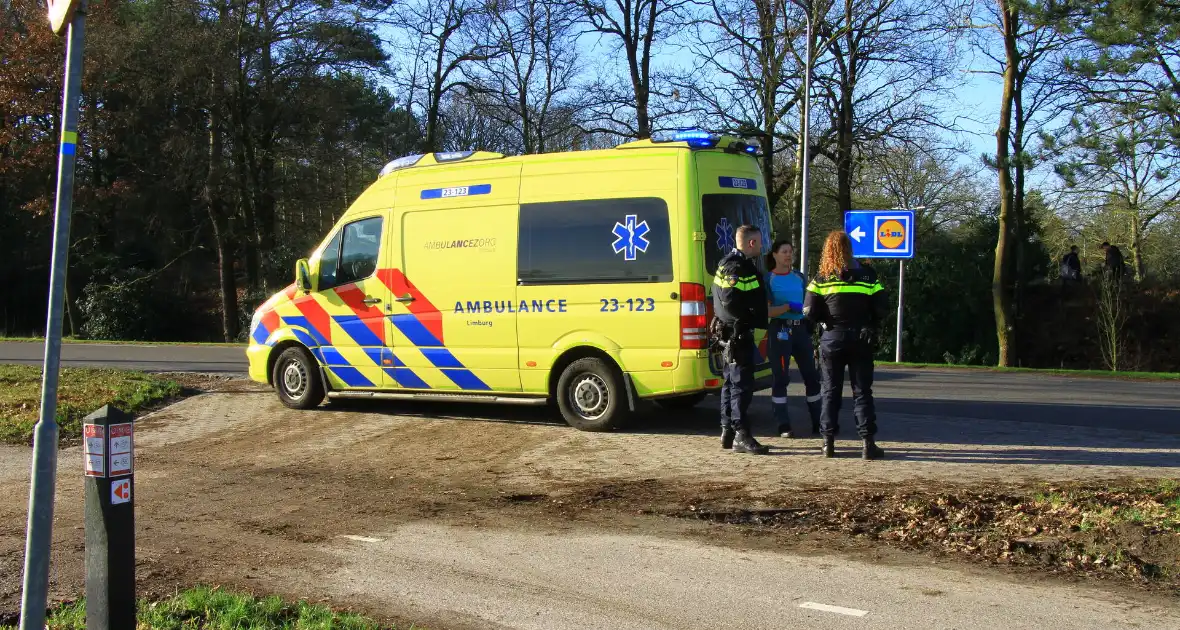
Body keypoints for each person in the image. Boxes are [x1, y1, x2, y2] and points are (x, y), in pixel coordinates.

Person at [803, 230, 889, 460]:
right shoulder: (869, 275)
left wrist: (824, 320)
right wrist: (869, 322)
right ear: (850, 248)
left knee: (830, 391)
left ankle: (828, 443)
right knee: (862, 392)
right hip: (861, 338)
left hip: (832, 339)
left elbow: (809, 311)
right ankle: (868, 444)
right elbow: (882, 307)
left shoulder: (821, 278)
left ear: (827, 251)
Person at [712, 224, 771, 455]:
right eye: (759, 241)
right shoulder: (739, 268)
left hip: (729, 334)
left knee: (729, 383)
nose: (762, 246)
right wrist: (746, 320)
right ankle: (741, 435)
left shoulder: (725, 262)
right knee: (741, 387)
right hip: (737, 334)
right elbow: (729, 300)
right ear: (752, 243)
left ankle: (727, 430)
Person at [764, 239, 822, 438]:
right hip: (780, 330)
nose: (788, 255)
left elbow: (808, 303)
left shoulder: (799, 277)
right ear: (774, 255)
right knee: (781, 378)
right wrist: (787, 307)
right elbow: (767, 311)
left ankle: (818, 423)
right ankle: (783, 425)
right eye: (784, 252)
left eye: (791, 252)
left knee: (812, 377)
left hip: (800, 331)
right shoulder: (768, 279)